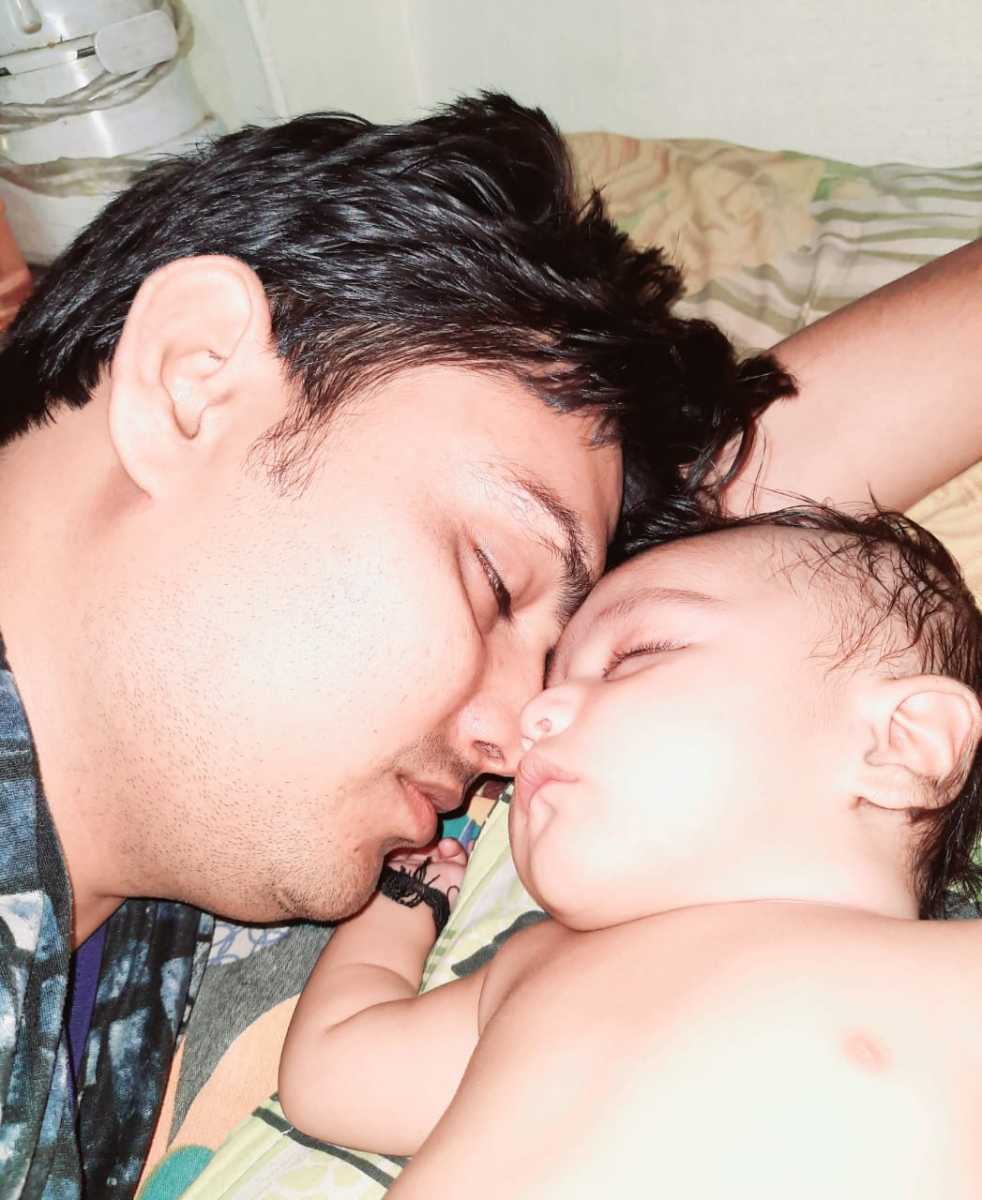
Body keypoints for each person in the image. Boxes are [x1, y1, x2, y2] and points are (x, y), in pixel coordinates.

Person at [0, 93, 794, 1199]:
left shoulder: (185, 843)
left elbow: (787, 600)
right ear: (194, 380)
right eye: (494, 579)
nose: (523, 736)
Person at [279, 504, 982, 1199]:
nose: (532, 718)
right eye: (554, 686)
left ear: (903, 745)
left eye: (633, 658)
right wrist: (408, 897)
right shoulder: (534, 968)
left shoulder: (950, 977)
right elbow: (335, 1070)